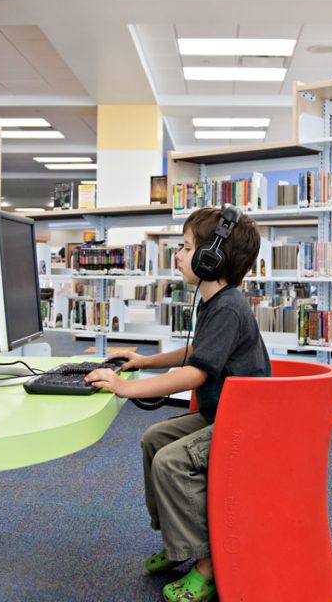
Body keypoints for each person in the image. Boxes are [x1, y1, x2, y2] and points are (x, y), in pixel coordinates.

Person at [86, 206, 270, 602]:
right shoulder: (211, 302)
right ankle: (177, 543)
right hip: (221, 413)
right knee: (154, 439)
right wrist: (145, 361)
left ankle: (206, 566)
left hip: (246, 423)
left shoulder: (228, 306)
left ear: (211, 259)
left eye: (186, 248)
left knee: (173, 461)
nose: (178, 255)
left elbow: (196, 374)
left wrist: (125, 387)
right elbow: (196, 352)